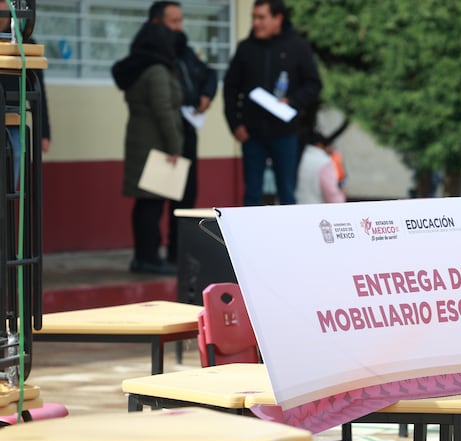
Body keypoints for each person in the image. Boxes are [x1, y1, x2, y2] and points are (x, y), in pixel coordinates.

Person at [223, 0, 322, 206]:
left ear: (278, 19)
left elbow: (314, 84)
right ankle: (249, 238)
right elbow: (230, 88)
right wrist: (235, 123)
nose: (256, 23)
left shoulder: (298, 47)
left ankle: (287, 238)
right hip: (252, 134)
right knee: (252, 193)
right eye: (254, 17)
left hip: (285, 133)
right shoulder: (246, 48)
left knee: (287, 191)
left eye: (262, 17)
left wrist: (293, 101)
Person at [112, 22, 183, 275]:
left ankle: (144, 256)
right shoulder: (156, 71)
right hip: (155, 146)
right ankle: (148, 258)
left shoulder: (139, 67)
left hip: (141, 141)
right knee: (151, 206)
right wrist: (175, 146)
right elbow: (163, 109)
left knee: (145, 204)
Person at [148, 1, 216, 265]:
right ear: (157, 23)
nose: (179, 27)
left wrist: (207, 95)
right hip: (164, 133)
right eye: (173, 22)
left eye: (180, 21)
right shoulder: (153, 55)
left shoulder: (184, 50)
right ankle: (153, 255)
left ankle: (178, 251)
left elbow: (208, 73)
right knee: (158, 197)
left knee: (187, 194)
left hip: (189, 129)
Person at [0, 16, 50, 189]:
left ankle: (4, 211)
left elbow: (38, 90)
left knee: (16, 154)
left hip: (13, 117)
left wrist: (45, 132)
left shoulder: (24, 43)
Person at [295, 130, 345, 204]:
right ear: (319, 145)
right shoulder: (324, 161)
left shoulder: (293, 158)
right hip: (315, 209)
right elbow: (330, 192)